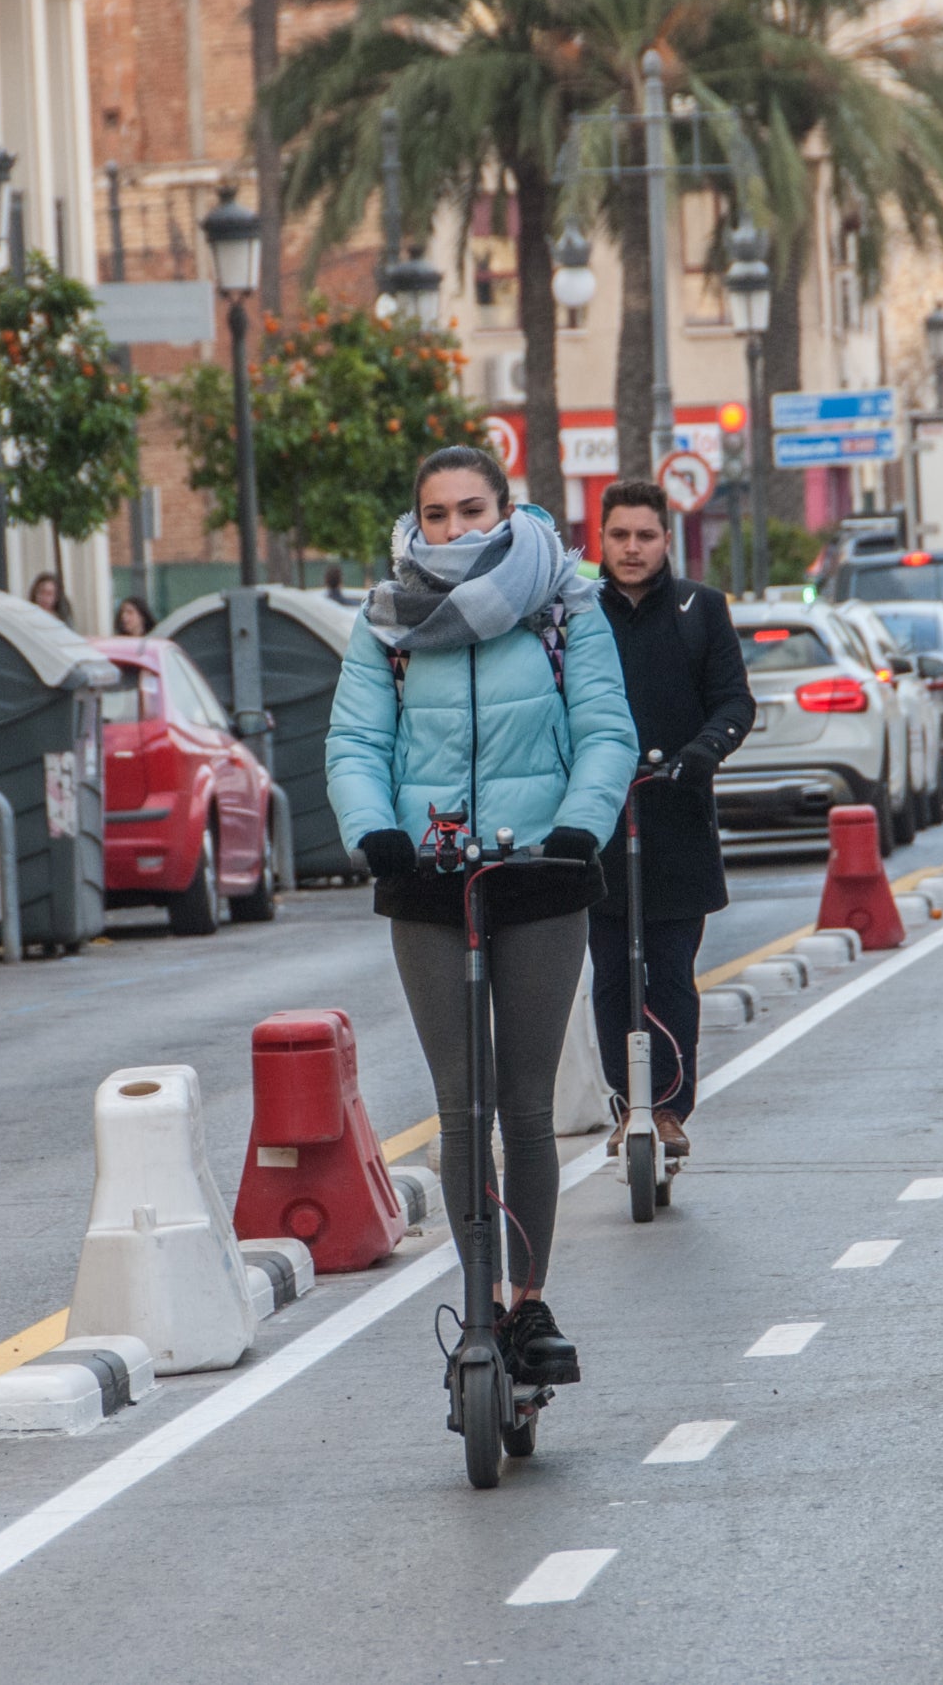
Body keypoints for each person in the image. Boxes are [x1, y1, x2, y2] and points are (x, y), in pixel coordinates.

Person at [326, 445, 637, 1388]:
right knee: (461, 1106)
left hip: (543, 871)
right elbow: (353, 739)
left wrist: (584, 825)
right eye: (436, 515)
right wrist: (374, 828)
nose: (454, 530)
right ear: (413, 524)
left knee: (526, 1105)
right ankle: (475, 1299)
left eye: (471, 511)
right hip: (429, 879)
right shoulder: (385, 621)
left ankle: (526, 1300)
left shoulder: (564, 604)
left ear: (506, 511)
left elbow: (606, 728)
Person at [584, 479, 752, 1163]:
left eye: (645, 535)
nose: (631, 548)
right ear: (602, 537)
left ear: (666, 539)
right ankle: (628, 1110)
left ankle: (673, 1110)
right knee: (613, 976)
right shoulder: (574, 613)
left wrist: (698, 756)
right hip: (594, 828)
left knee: (672, 972)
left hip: (677, 821)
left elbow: (734, 703)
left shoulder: (699, 610)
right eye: (620, 535)